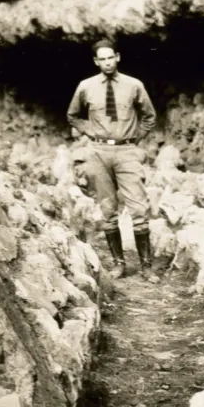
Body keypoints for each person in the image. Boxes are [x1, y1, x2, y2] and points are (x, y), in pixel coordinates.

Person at [66, 39, 160, 283]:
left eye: (111, 58)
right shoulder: (86, 87)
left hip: (127, 151)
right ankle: (119, 264)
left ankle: (147, 267)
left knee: (138, 208)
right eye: (102, 59)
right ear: (96, 62)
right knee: (108, 210)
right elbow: (73, 115)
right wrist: (90, 131)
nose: (107, 63)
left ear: (117, 57)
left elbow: (149, 116)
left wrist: (134, 138)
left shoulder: (133, 85)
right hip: (98, 152)